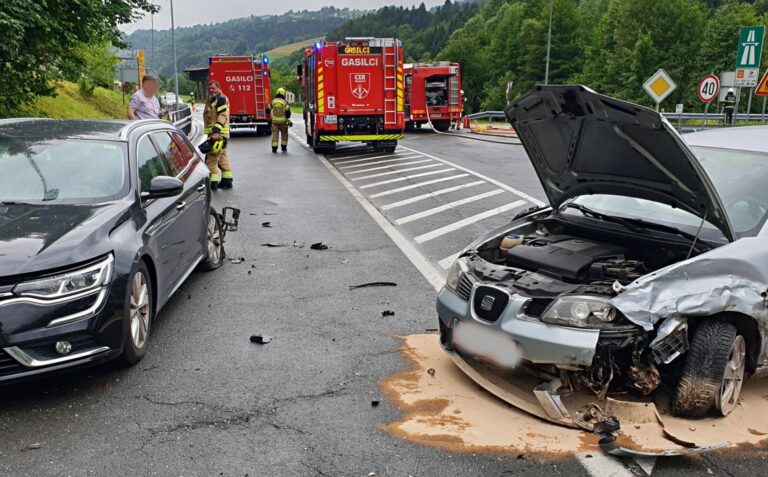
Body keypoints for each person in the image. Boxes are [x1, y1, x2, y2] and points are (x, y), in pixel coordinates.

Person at [203, 80, 233, 190]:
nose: (211, 90)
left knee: (211, 159)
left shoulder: (220, 99)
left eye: (213, 88)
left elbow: (222, 115)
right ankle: (227, 180)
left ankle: (213, 184)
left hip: (218, 134)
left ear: (219, 88)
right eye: (209, 89)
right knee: (222, 158)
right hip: (221, 134)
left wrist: (215, 131)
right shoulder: (214, 99)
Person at [267, 87, 291, 153]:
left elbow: (267, 109)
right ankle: (284, 147)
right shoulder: (285, 102)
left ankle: (274, 148)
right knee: (284, 134)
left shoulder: (273, 101)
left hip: (275, 122)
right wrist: (287, 118)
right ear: (283, 94)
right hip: (283, 122)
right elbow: (288, 112)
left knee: (275, 134)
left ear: (277, 93)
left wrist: (268, 115)